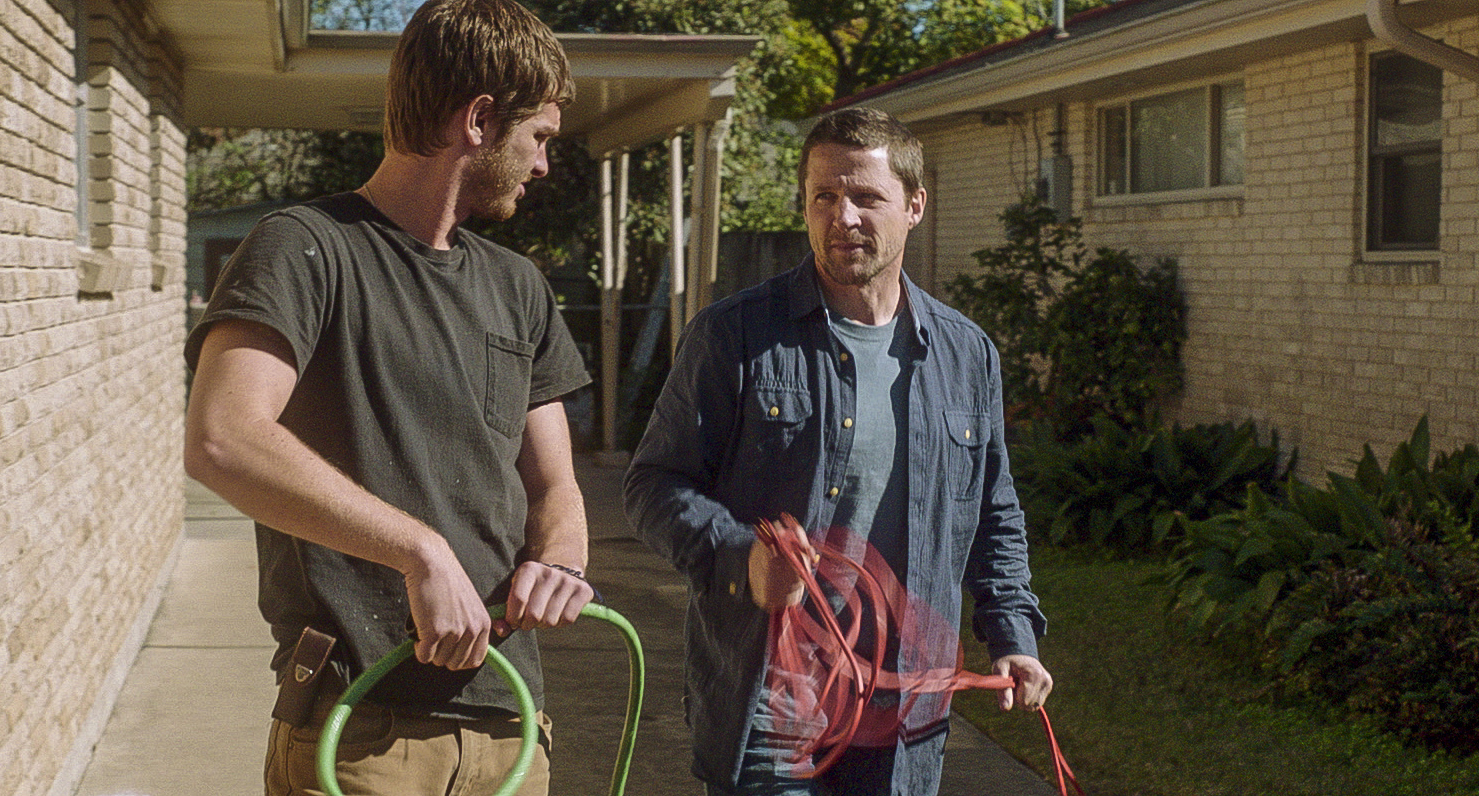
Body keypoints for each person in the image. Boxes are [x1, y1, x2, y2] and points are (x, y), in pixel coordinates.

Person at [182, 2, 594, 794]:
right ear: (478, 119)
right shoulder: (305, 248)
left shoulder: (517, 287)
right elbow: (223, 437)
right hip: (363, 730)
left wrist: (562, 561)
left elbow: (555, 486)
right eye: (537, 137)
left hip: (511, 728)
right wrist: (419, 550)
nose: (543, 165)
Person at [623, 107, 1053, 796]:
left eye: (865, 197)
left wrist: (1013, 637)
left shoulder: (966, 355)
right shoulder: (733, 336)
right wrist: (741, 556)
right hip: (770, 704)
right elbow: (653, 485)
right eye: (823, 196)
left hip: (903, 711)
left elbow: (992, 512)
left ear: (914, 205)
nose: (841, 217)